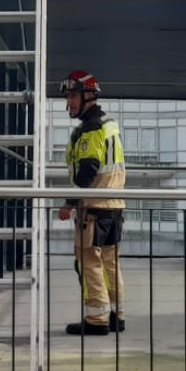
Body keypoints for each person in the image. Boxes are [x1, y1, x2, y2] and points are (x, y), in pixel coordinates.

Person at [57, 70, 127, 336]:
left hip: (94, 209)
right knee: (110, 263)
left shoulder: (91, 129)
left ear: (89, 95)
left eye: (74, 96)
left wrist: (69, 203)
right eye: (69, 97)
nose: (70, 102)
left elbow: (87, 170)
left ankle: (97, 320)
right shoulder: (109, 124)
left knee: (89, 263)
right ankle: (116, 316)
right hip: (115, 206)